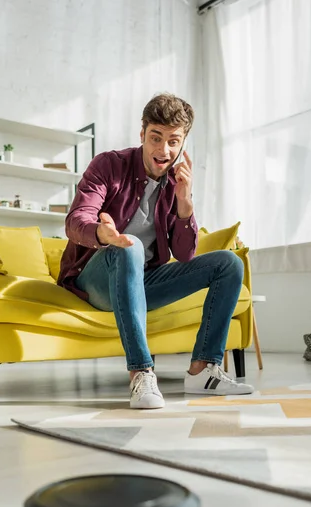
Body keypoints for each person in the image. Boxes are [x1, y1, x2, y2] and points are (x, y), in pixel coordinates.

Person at [58, 93, 254, 409]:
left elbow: (185, 254)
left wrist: (185, 204)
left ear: (182, 144)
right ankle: (141, 372)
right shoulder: (110, 165)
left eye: (173, 141)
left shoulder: (176, 182)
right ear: (142, 135)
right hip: (95, 278)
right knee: (129, 246)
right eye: (156, 138)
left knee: (228, 263)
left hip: (143, 280)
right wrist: (102, 234)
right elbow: (75, 219)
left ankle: (203, 371)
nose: (163, 150)